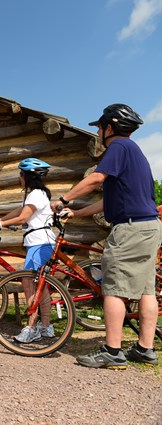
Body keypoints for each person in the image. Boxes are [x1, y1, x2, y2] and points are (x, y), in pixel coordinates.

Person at [53, 104, 162, 369]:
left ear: (109, 128)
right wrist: (75, 213)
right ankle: (145, 349)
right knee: (146, 289)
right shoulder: (135, 154)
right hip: (149, 226)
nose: (99, 132)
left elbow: (96, 179)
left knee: (113, 289)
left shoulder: (118, 148)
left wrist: (63, 198)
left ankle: (112, 352)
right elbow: (108, 202)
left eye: (100, 127)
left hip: (130, 229)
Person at [0, 158, 56, 342]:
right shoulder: (39, 194)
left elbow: (23, 217)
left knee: (29, 284)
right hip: (42, 243)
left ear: (27, 176)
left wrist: (1, 224)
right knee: (41, 286)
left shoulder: (35, 194)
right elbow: (19, 211)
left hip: (39, 243)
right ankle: (46, 327)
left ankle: (31, 328)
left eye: (21, 175)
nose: (19, 178)